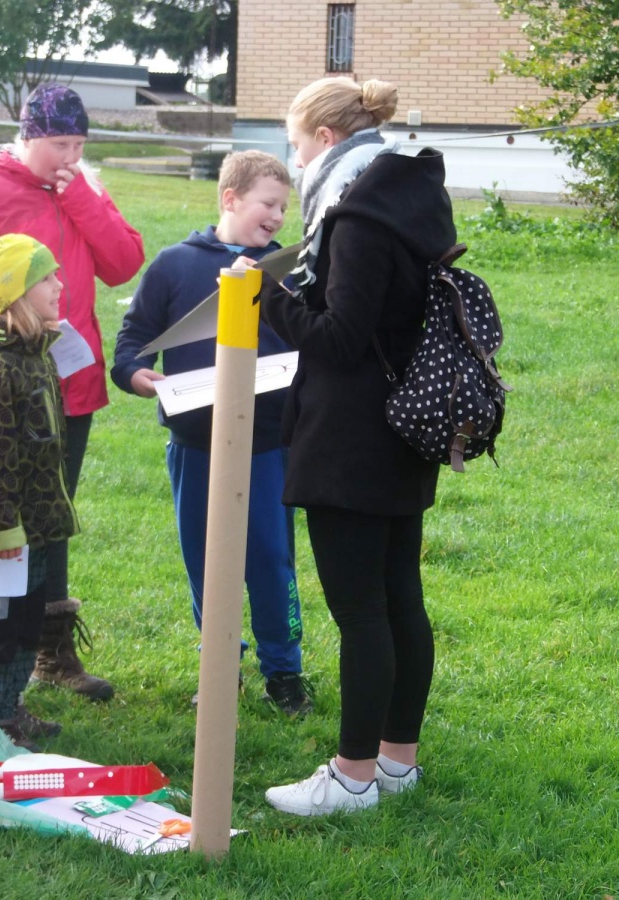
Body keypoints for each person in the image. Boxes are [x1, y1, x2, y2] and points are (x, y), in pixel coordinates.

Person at [257, 77, 458, 815]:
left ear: (327, 139)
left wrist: (266, 296)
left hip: (352, 439)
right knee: (400, 598)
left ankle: (352, 777)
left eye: (296, 144)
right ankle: (397, 763)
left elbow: (340, 339)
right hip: (404, 426)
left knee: (363, 612)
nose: (294, 161)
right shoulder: (407, 196)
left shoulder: (356, 217)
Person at [0, 84, 145, 702]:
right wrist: (10, 327)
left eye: (79, 144)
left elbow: (123, 262)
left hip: (69, 385)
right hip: (4, 385)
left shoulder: (83, 187)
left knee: (52, 514)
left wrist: (81, 196)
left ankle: (50, 651)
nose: (70, 156)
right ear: (27, 137)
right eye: (59, 144)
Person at [111, 150, 310, 716]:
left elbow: (311, 340)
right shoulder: (175, 264)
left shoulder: (291, 271)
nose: (278, 217)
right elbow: (132, 343)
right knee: (205, 559)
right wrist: (136, 375)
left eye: (284, 208)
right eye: (268, 204)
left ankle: (284, 671)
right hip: (196, 444)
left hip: (267, 443)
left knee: (270, 558)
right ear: (230, 198)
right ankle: (220, 665)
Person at [0, 233, 79, 750]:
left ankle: (11, 704)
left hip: (37, 525)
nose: (59, 285)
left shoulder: (34, 352)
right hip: (7, 536)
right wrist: (4, 530)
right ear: (18, 292)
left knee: (26, 619)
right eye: (46, 278)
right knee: (0, 627)